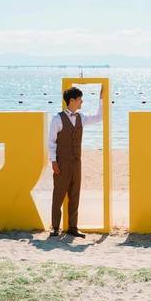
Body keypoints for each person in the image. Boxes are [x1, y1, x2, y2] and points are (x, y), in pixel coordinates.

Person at [47, 85, 104, 237]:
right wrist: (53, 161)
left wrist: (101, 99)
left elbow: (99, 117)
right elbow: (51, 142)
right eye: (80, 99)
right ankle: (55, 228)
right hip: (62, 163)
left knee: (75, 194)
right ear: (72, 100)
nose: (82, 102)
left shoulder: (81, 118)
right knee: (58, 195)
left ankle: (73, 227)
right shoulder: (57, 119)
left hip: (76, 163)